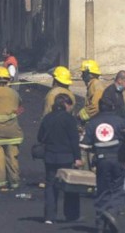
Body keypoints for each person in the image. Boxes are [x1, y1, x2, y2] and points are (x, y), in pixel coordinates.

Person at [80, 97, 125, 232]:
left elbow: (84, 145)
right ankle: (112, 211)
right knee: (119, 189)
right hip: (118, 160)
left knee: (102, 191)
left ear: (100, 107)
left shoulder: (92, 123)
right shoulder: (121, 122)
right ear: (113, 107)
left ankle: (100, 223)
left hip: (101, 161)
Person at [37, 94, 83, 225]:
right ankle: (71, 215)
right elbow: (74, 139)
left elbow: (40, 137)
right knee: (70, 185)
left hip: (50, 156)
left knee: (50, 186)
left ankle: (49, 216)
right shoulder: (69, 119)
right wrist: (78, 157)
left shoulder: (47, 118)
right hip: (66, 156)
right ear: (66, 104)